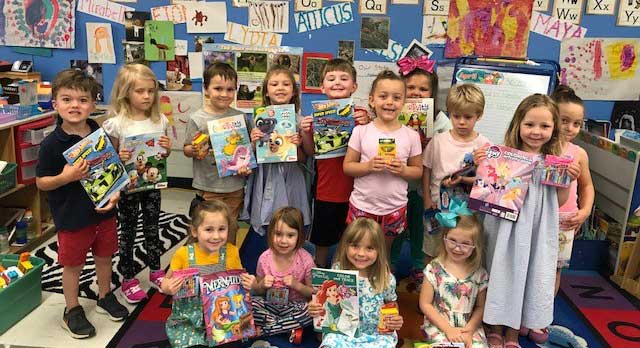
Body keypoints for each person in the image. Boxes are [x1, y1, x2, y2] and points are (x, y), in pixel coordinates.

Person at [476, 94, 580, 348]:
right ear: (518, 125)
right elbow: (488, 187)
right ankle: (494, 326)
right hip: (504, 225)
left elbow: (559, 198)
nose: (536, 132)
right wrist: (482, 163)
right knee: (498, 269)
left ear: (554, 128)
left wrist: (568, 178)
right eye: (530, 124)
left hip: (536, 227)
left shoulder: (555, 161)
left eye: (544, 126)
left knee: (527, 273)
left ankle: (512, 332)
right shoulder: (504, 154)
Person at [36, 69, 128, 339]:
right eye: (67, 99)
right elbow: (42, 182)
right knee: (73, 264)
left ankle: (104, 294)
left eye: (82, 100)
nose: (75, 105)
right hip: (73, 217)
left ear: (92, 104)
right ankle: (72, 309)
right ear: (55, 104)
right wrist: (66, 177)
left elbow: (111, 167)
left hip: (104, 212)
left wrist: (115, 194)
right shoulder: (51, 144)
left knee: (104, 257)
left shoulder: (97, 130)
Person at [102, 64, 171, 304]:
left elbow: (163, 154)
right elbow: (107, 160)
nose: (146, 96)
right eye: (140, 91)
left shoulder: (159, 119)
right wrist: (117, 157)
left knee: (153, 228)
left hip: (152, 186)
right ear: (125, 92)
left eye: (151, 91)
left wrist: (167, 150)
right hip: (127, 188)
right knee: (128, 233)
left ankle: (155, 271)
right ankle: (128, 278)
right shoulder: (116, 124)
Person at [343, 70, 423, 257]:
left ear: (403, 103)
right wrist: (368, 166)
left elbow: (418, 171)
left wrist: (403, 170)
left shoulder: (411, 136)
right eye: (383, 96)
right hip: (362, 206)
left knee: (384, 254)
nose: (389, 102)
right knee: (357, 252)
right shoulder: (361, 132)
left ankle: (382, 284)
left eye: (396, 97)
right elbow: (347, 167)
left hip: (394, 208)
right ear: (372, 100)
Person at [240, 65, 311, 274]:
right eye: (274, 84)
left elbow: (304, 157)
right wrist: (252, 143)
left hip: (291, 178)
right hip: (265, 176)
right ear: (266, 91)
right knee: (264, 221)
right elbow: (247, 158)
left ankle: (291, 267)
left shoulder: (299, 120)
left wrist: (300, 142)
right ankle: (264, 266)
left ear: (294, 91)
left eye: (286, 84)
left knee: (290, 221)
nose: (280, 88)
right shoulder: (255, 120)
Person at [300, 58, 370, 268]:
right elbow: (310, 152)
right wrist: (305, 132)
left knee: (351, 239)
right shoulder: (314, 117)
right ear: (322, 87)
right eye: (331, 79)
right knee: (322, 240)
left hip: (357, 191)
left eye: (344, 78)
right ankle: (319, 273)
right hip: (326, 190)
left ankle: (342, 273)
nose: (337, 82)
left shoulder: (362, 115)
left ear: (354, 86)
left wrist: (367, 124)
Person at [391, 56, 452, 287]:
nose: (416, 93)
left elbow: (449, 148)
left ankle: (418, 265)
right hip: (398, 183)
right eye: (411, 88)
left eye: (423, 89)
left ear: (432, 93)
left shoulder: (441, 121)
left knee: (420, 226)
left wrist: (429, 145)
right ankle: (391, 262)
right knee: (395, 227)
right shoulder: (393, 113)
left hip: (424, 187)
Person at [161, 200, 255, 348]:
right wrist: (168, 287)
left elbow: (238, 286)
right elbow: (165, 282)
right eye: (209, 230)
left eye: (222, 229)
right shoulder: (183, 254)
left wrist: (250, 283)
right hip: (188, 322)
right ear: (194, 231)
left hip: (222, 318)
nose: (216, 236)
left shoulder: (231, 252)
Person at [540, 86, 594, 339]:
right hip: (539, 216)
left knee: (555, 270)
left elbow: (587, 186)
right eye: (564, 121)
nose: (570, 128)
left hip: (565, 220)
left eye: (577, 123)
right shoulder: (540, 147)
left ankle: (542, 315)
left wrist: (584, 211)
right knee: (534, 265)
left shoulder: (579, 153)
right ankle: (526, 311)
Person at [183, 62, 251, 245]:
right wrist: (194, 150)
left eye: (230, 89)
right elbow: (186, 149)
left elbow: (248, 149)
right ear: (206, 89)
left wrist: (247, 165)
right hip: (208, 186)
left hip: (235, 186)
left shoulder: (241, 117)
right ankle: (198, 268)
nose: (224, 94)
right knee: (205, 230)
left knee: (230, 229)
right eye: (218, 88)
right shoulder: (197, 119)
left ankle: (226, 268)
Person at [308, 218, 404, 347]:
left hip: (375, 334)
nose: (361, 254)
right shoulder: (338, 270)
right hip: (342, 333)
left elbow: (391, 303)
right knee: (329, 343)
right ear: (345, 246)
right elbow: (325, 300)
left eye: (369, 248)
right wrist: (315, 307)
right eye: (355, 246)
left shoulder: (386, 277)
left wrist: (394, 319)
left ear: (379, 250)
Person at [422, 84, 489, 266]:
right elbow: (426, 170)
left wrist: (477, 166)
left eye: (468, 117)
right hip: (438, 207)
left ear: (479, 115)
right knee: (433, 248)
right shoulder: (438, 141)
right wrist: (427, 198)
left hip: (469, 211)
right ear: (449, 113)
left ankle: (464, 287)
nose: (461, 122)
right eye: (456, 116)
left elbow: (487, 180)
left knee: (465, 250)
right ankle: (429, 284)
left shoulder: (484, 144)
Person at [419, 199, 488, 347]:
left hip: (469, 328)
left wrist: (468, 330)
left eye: (465, 244)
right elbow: (425, 304)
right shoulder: (434, 268)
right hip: (439, 326)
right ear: (444, 239)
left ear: (475, 246)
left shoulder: (480, 273)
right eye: (452, 241)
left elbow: (480, 307)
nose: (457, 248)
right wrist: (448, 329)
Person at [250, 207, 315, 336]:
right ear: (271, 234)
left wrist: (297, 285)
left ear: (299, 236)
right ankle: (287, 326)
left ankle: (267, 330)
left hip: (296, 307)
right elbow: (257, 290)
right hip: (269, 306)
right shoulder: (264, 258)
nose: (283, 241)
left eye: (290, 235)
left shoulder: (306, 259)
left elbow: (312, 293)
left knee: (311, 311)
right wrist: (262, 284)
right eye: (278, 234)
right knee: (250, 303)